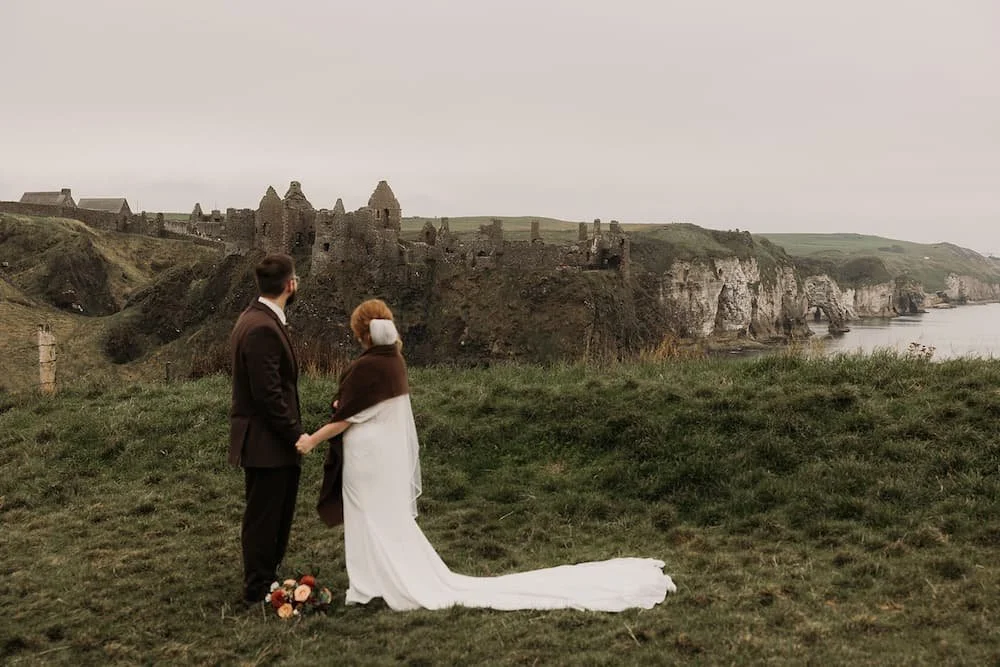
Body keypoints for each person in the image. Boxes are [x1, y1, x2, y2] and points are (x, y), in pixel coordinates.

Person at [297, 299, 676, 611]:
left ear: (361, 332)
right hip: (381, 458)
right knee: (386, 521)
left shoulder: (367, 365)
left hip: (367, 461)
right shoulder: (393, 361)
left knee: (370, 520)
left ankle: (370, 584)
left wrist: (312, 440)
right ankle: (377, 580)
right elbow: (366, 404)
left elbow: (347, 417)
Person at [228, 253, 308, 605]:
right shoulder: (262, 327)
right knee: (265, 518)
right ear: (289, 285)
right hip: (267, 442)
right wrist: (295, 434)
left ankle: (266, 579)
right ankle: (258, 587)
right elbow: (268, 394)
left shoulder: (255, 317)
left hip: (266, 440)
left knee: (271, 514)